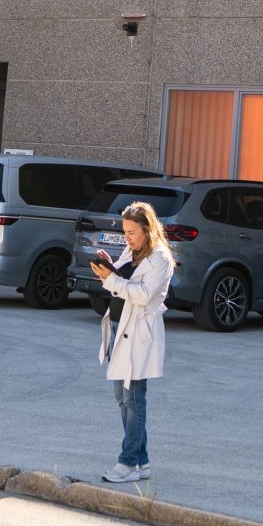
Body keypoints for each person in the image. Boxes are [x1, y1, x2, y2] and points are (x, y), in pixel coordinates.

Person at [88, 199, 174, 484]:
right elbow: (124, 279)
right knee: (121, 398)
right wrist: (109, 268)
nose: (128, 238)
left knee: (133, 400)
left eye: (132, 232)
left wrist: (111, 279)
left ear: (147, 229)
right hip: (120, 328)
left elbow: (143, 294)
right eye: (125, 232)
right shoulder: (132, 250)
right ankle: (142, 461)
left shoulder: (160, 258)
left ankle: (128, 463)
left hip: (139, 335)